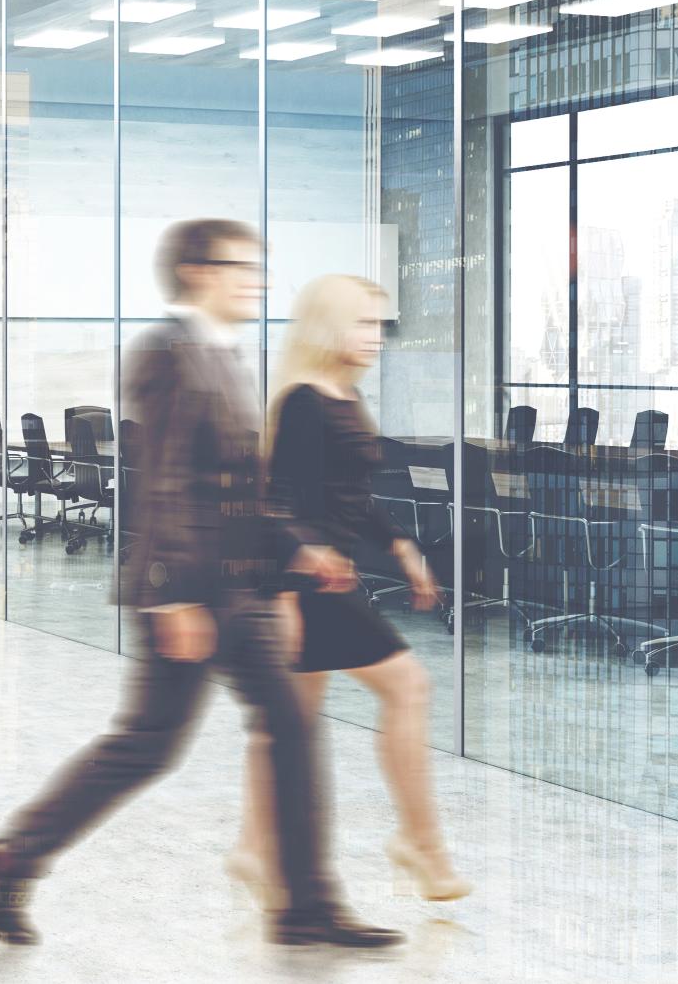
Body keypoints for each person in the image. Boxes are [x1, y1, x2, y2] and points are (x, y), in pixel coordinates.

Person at [0, 219, 402, 951]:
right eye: (238, 267)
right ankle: (8, 857)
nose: (252, 280)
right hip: (192, 590)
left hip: (236, 590)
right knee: (148, 745)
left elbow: (239, 486)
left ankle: (302, 908)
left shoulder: (224, 356)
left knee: (279, 727)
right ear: (197, 272)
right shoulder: (165, 352)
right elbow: (158, 483)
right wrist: (168, 594)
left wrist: (302, 549)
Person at [231, 274, 468, 907]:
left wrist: (403, 548)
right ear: (328, 327)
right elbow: (275, 506)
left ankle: (252, 847)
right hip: (311, 585)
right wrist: (286, 589)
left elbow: (354, 501)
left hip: (331, 577)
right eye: (363, 323)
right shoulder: (304, 401)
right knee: (408, 687)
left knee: (290, 719)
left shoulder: (343, 396)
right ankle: (422, 844)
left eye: (378, 325)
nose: (376, 337)